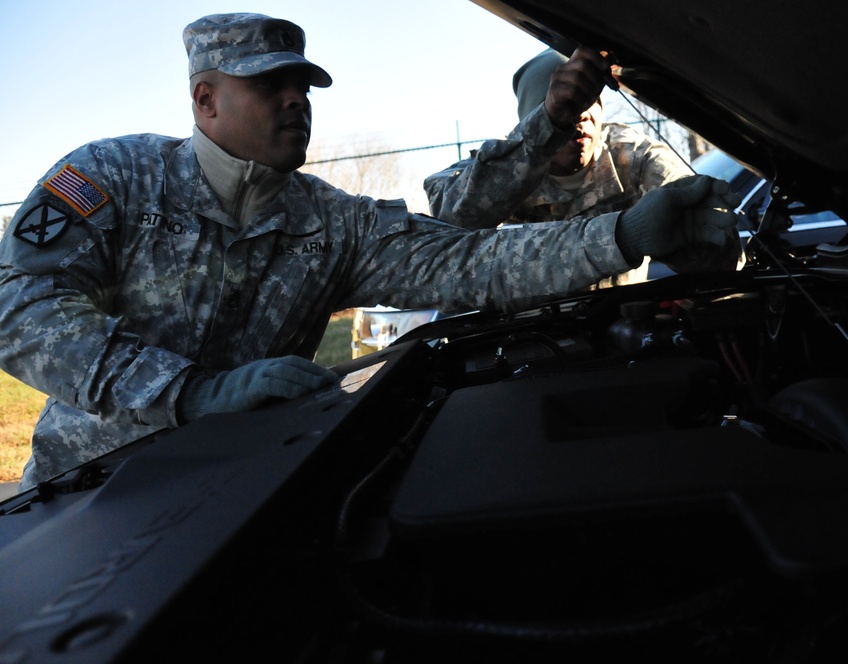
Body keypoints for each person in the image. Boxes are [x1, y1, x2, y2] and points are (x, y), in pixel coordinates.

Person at [0, 13, 739, 490]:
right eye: (270, 86)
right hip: (90, 491)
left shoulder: (335, 224)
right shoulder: (113, 178)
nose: (297, 100)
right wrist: (192, 392)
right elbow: (20, 307)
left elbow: (468, 262)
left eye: (304, 85)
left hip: (244, 488)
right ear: (205, 100)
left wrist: (621, 237)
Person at [424, 47, 743, 281]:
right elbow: (445, 220)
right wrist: (546, 126)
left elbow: (724, 257)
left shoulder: (635, 159)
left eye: (590, 101)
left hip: (621, 334)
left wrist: (678, 241)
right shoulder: (502, 166)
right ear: (533, 119)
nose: (582, 114)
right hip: (525, 338)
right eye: (566, 105)